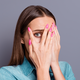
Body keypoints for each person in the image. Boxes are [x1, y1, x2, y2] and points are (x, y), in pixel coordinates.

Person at [0, 5, 75, 80]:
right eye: (37, 34)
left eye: (50, 34)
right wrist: (42, 68)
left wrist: (55, 66)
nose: (45, 40)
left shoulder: (65, 68)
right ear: (21, 38)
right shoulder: (7, 74)